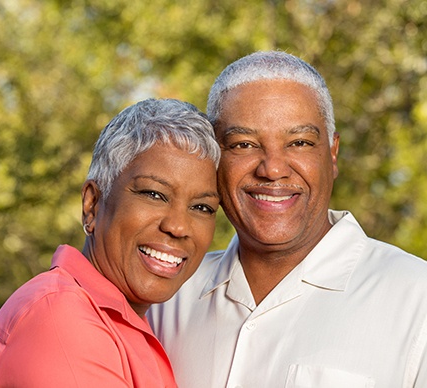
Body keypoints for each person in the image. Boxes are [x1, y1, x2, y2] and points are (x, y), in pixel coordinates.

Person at [147, 51, 427, 387]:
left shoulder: (415, 299)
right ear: (214, 159)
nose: (273, 169)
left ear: (333, 153)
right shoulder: (166, 298)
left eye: (299, 142)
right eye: (244, 144)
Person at [0, 98, 221, 387]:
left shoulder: (132, 326)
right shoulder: (60, 317)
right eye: (153, 194)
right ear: (93, 203)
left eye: (202, 208)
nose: (178, 226)